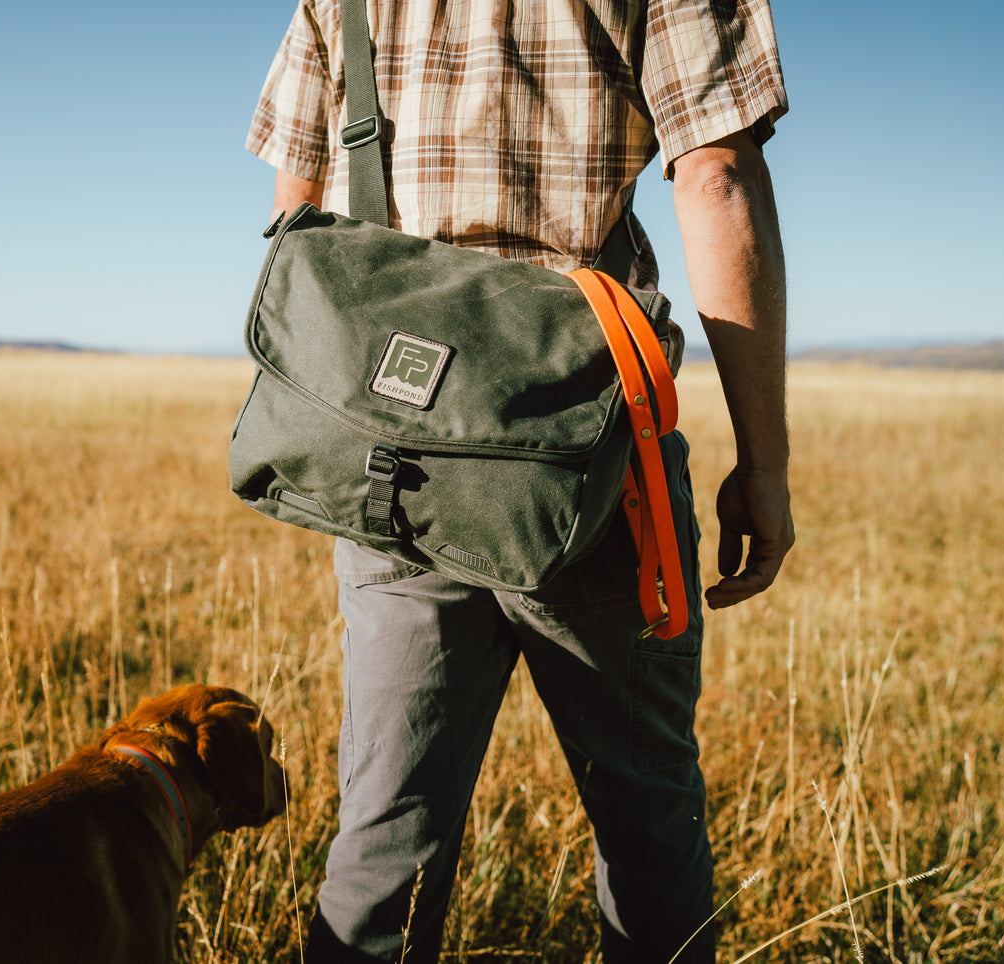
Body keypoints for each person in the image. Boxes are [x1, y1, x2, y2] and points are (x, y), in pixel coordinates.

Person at [245, 1, 794, 960]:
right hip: (598, 457)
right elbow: (716, 172)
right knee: (648, 825)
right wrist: (764, 464)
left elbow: (299, 208)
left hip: (392, 462)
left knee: (384, 843)